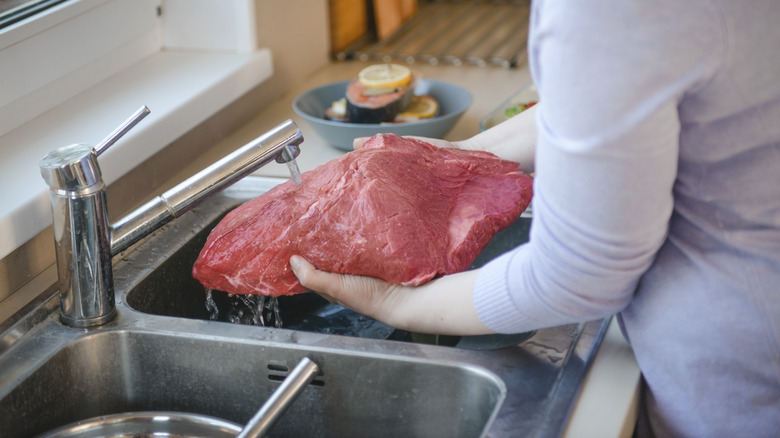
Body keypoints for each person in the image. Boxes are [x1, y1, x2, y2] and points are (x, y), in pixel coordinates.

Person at [290, 1, 780, 436]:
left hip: (740, 379)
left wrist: (396, 303)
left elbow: (580, 276)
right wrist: (469, 155)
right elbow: (615, 95)